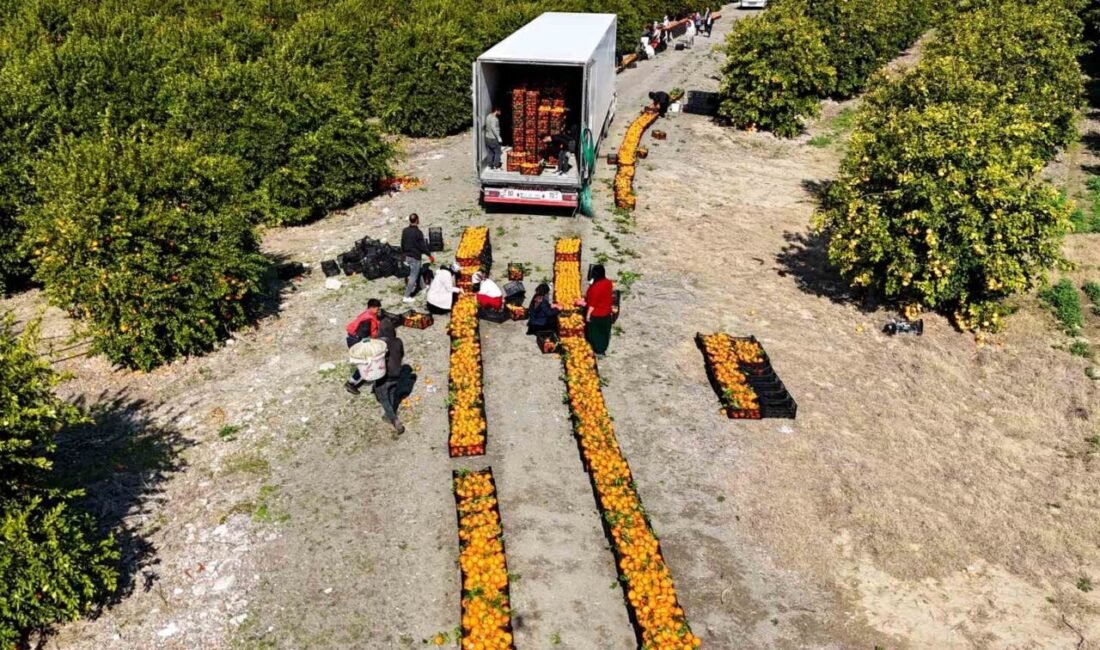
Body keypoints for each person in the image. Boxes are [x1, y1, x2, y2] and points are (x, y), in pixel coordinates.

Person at [372, 318, 406, 436]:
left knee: (383, 398)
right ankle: (389, 414)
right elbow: (401, 354)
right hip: (396, 373)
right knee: (391, 392)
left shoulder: (378, 344)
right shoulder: (398, 341)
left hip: (383, 375)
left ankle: (395, 421)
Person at [345, 298, 381, 394]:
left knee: (364, 362)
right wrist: (370, 345)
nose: (378, 311)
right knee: (364, 363)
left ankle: (365, 376)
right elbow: (363, 335)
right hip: (356, 340)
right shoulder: (368, 320)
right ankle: (351, 383)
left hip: (352, 337)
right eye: (377, 309)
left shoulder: (367, 314)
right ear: (372, 308)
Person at [576, 264, 614, 357]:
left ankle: (598, 350)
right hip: (607, 313)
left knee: (595, 334)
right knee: (604, 332)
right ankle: (603, 348)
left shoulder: (595, 288)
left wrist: (588, 315)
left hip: (597, 315)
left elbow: (592, 306)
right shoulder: (608, 282)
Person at [401, 213, 434, 303]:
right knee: (413, 276)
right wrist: (429, 255)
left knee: (417, 271)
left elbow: (402, 243)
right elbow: (422, 247)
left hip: (406, 256)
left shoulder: (405, 231)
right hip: (415, 257)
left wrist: (403, 255)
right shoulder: (418, 233)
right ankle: (406, 296)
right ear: (417, 220)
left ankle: (423, 287)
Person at [484, 106, 503, 170]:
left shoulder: (488, 116)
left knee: (490, 152)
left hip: (487, 137)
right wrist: (499, 137)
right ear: (496, 110)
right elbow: (493, 128)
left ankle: (490, 165)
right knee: (498, 152)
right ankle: (496, 165)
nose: (500, 112)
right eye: (500, 110)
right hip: (493, 138)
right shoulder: (494, 119)